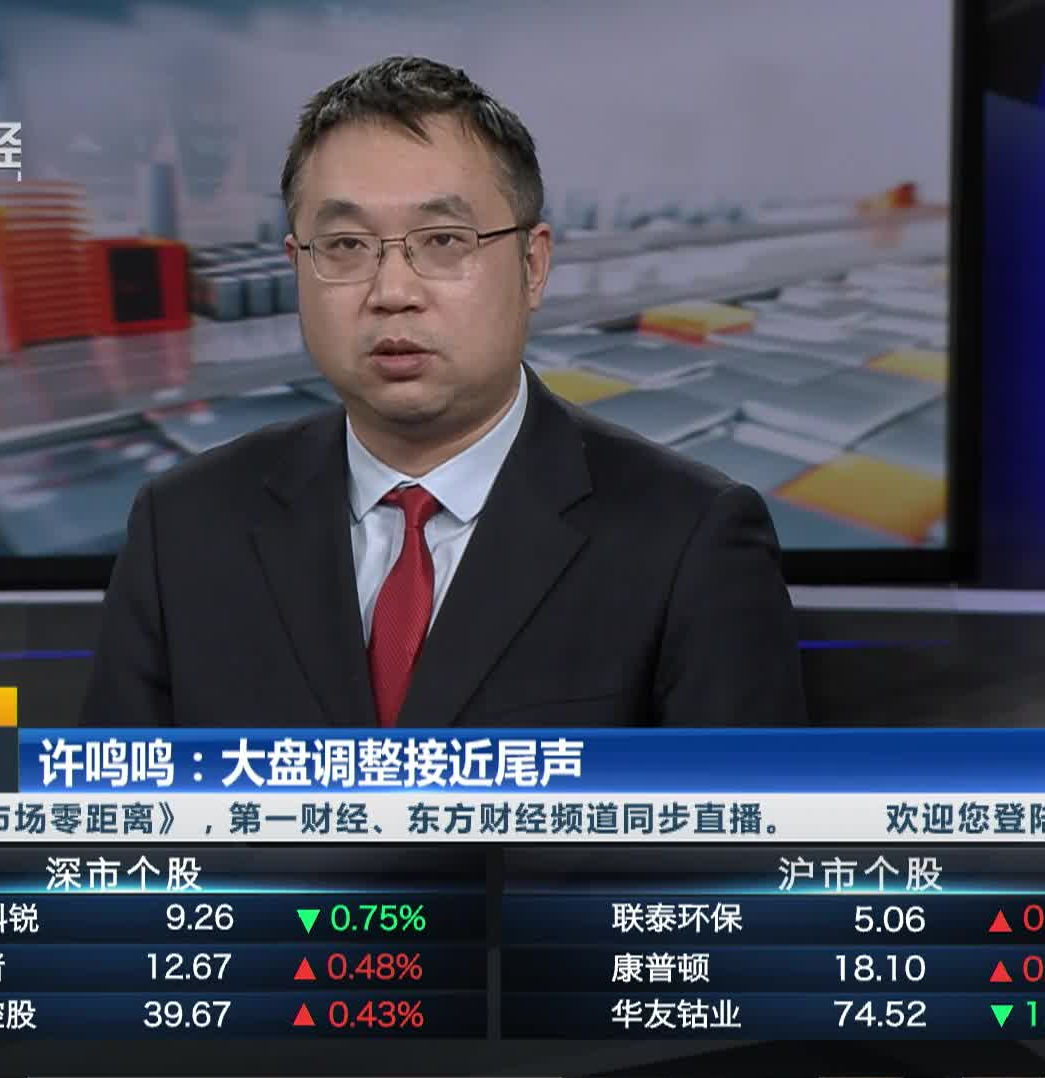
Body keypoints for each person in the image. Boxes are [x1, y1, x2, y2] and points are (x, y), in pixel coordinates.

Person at [81, 56, 806, 728]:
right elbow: (113, 820)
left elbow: (735, 825)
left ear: (532, 266)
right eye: (346, 246)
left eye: (444, 241)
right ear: (296, 266)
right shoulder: (182, 529)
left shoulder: (689, 539)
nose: (392, 291)